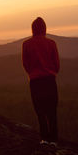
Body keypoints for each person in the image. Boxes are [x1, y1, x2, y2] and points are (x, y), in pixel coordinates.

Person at [22, 17, 60, 147]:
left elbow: (25, 65)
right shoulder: (51, 43)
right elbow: (57, 65)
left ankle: (44, 139)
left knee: (40, 112)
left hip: (35, 82)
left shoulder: (26, 44)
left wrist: (33, 73)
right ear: (44, 28)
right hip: (49, 80)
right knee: (52, 112)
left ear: (32, 29)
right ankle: (54, 141)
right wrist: (51, 72)